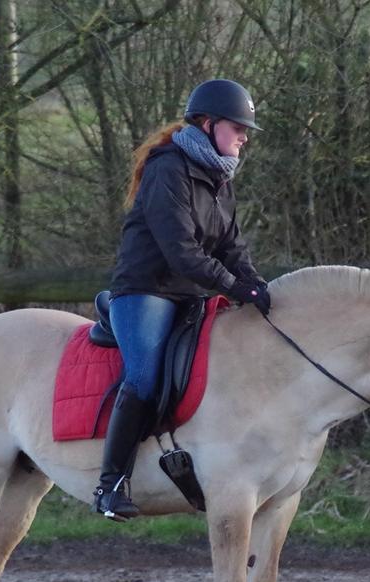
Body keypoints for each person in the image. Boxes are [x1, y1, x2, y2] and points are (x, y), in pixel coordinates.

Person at [93, 78, 272, 522]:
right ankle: (111, 483)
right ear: (208, 125)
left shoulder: (219, 178)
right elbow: (183, 252)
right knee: (145, 378)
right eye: (238, 127)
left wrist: (260, 288)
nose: (244, 136)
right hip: (145, 290)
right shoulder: (166, 168)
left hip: (190, 293)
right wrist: (236, 288)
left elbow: (231, 247)